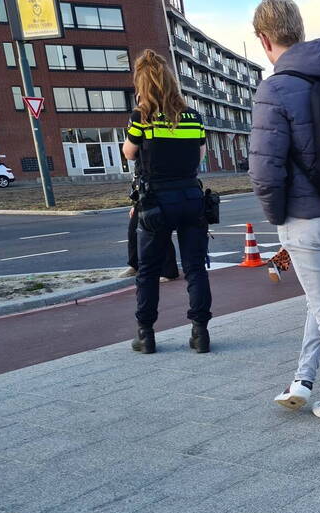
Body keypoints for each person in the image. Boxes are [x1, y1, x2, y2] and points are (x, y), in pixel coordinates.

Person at [249, 0, 320, 423]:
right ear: (298, 29)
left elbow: (265, 169)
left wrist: (280, 217)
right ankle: (301, 380)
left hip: (307, 220)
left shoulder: (275, 89)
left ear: (264, 40)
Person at [123, 49, 212, 354]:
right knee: (196, 267)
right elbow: (200, 156)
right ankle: (200, 333)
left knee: (148, 271)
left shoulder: (142, 117)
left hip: (156, 203)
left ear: (142, 84)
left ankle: (146, 335)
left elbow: (129, 153)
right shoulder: (193, 116)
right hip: (191, 197)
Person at [120, 165, 179, 281]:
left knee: (162, 232)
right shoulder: (141, 157)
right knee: (133, 231)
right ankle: (135, 265)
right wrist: (135, 203)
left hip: (160, 194)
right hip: (143, 196)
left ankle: (169, 271)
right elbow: (137, 179)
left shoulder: (154, 152)